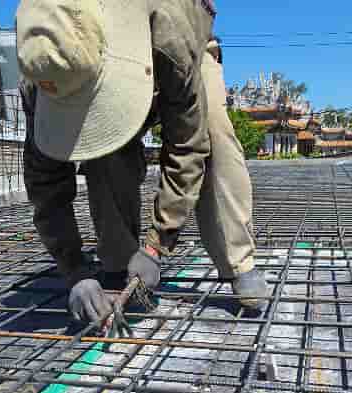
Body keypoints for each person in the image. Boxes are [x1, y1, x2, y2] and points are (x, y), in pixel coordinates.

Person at [16, 0, 269, 326]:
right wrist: (74, 271)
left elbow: (188, 147)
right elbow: (45, 184)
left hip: (184, 50)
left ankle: (238, 262)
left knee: (214, 133)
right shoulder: (44, 66)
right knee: (102, 148)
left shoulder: (169, 35)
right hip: (100, 60)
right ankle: (119, 264)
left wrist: (156, 245)